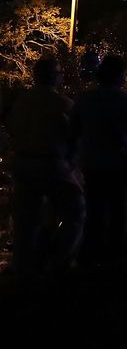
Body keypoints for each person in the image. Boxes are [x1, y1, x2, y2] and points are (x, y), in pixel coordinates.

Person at [3, 56, 84, 273]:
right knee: (76, 210)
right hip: (51, 164)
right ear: (55, 77)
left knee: (26, 220)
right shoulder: (63, 103)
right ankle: (58, 261)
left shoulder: (22, 101)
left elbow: (12, 127)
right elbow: (74, 135)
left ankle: (23, 267)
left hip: (23, 163)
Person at [70, 54, 127, 262]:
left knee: (94, 209)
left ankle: (92, 254)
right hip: (120, 161)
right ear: (119, 76)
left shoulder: (84, 99)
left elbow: (73, 130)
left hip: (92, 161)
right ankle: (115, 255)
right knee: (119, 209)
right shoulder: (126, 100)